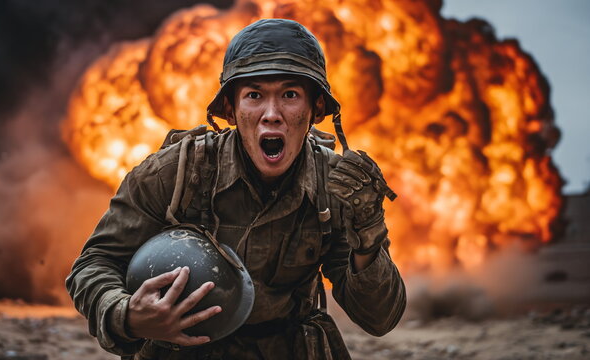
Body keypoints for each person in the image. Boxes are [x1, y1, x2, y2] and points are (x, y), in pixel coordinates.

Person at [66, 18, 406, 360]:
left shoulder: (335, 187)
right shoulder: (175, 173)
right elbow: (95, 263)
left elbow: (379, 319)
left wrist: (369, 234)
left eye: (290, 95)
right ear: (230, 108)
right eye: (254, 95)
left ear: (315, 108)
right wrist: (129, 316)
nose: (271, 114)